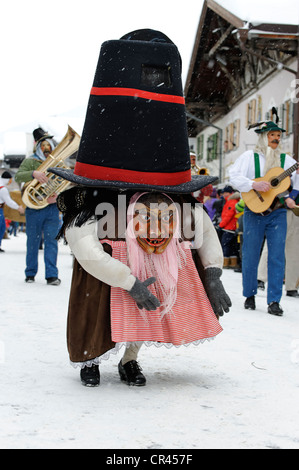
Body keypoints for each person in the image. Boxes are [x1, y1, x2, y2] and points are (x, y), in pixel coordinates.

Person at [50, 28, 231, 387]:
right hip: (106, 269)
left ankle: (131, 359)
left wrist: (212, 270)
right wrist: (127, 280)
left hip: (149, 260)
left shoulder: (174, 204)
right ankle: (92, 359)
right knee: (97, 312)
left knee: (143, 313)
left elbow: (202, 226)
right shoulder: (92, 204)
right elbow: (86, 249)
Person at [229, 120, 298, 316]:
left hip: (278, 212)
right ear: (263, 137)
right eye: (272, 135)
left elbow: (297, 181)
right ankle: (249, 295)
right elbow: (233, 176)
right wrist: (253, 184)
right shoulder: (249, 157)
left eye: (278, 136)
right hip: (253, 212)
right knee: (250, 255)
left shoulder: (287, 161)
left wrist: (292, 197)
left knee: (277, 257)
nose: (276, 139)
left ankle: (274, 301)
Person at [15, 128, 61, 285]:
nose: (47, 148)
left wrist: (57, 197)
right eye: (44, 145)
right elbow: (18, 176)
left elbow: (66, 184)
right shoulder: (30, 161)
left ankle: (51, 275)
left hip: (52, 208)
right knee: (32, 242)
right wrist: (33, 173)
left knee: (52, 242)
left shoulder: (57, 162)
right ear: (39, 145)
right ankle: (30, 273)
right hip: (33, 208)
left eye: (49, 145)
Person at [0, 171, 25, 252]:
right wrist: (18, 207)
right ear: (7, 179)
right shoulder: (2, 189)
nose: (10, 182)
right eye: (10, 180)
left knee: (2, 227)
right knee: (1, 228)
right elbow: (9, 201)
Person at [218, 186, 240, 269]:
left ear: (229, 193)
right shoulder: (233, 201)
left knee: (226, 245)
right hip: (232, 227)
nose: (223, 195)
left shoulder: (231, 202)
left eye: (224, 193)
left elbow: (228, 216)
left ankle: (226, 263)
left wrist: (221, 225)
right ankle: (233, 263)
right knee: (233, 247)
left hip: (229, 228)